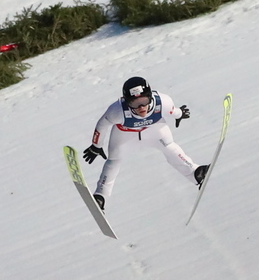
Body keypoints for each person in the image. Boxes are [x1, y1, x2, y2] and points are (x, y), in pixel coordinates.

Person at [83, 76, 208, 210]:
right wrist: (96, 145)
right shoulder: (117, 110)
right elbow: (102, 124)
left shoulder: (163, 101)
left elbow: (172, 110)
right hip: (125, 134)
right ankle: (101, 196)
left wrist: (180, 114)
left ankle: (195, 172)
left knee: (169, 147)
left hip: (153, 129)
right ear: (126, 102)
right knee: (114, 161)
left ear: (151, 96)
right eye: (135, 103)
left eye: (144, 100)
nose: (141, 107)